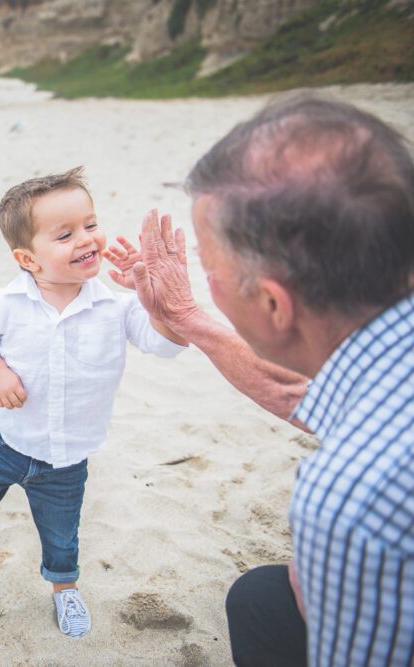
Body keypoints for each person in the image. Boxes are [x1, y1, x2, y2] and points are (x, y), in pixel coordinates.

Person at [109, 93, 414, 666]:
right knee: (261, 598)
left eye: (210, 269)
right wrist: (186, 318)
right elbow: (313, 398)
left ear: (274, 304)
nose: (208, 283)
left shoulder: (352, 501)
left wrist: (327, 574)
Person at [0, 166, 187, 637]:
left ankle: (65, 589)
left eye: (91, 225)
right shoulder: (1, 305)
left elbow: (167, 344)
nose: (87, 240)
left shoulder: (116, 307)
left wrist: (159, 301)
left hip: (66, 458)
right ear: (27, 259)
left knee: (61, 537)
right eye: (65, 234)